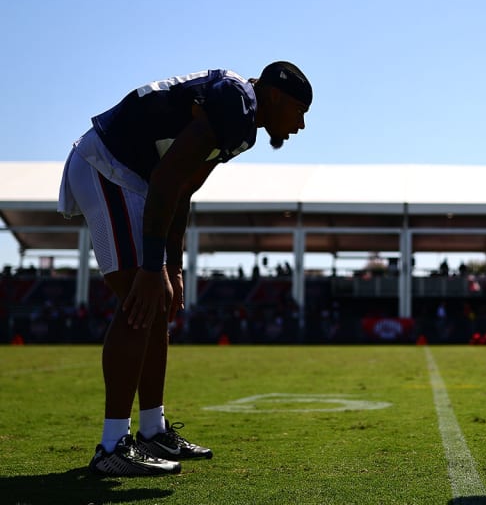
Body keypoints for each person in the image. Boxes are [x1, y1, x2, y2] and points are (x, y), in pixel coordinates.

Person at [58, 61, 312, 476]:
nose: (300, 125)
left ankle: (151, 430)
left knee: (156, 304)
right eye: (300, 111)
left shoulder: (242, 119)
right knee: (140, 305)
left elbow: (182, 189)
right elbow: (166, 179)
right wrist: (151, 266)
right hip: (109, 167)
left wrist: (171, 267)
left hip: (131, 176)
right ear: (276, 96)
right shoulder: (237, 102)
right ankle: (111, 446)